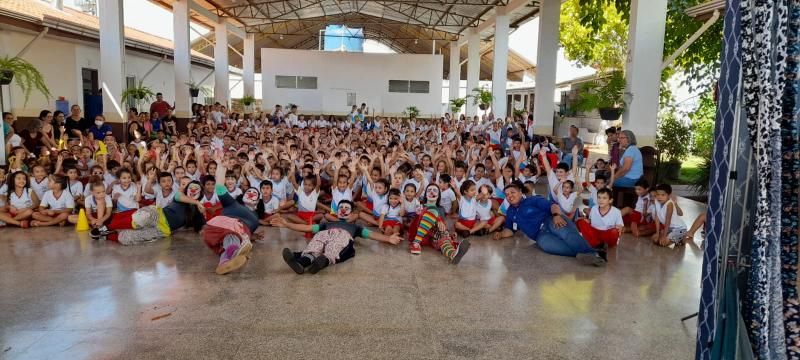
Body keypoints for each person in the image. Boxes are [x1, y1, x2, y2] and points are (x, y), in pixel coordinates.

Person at [273, 199, 402, 275]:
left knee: (334, 246)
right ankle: (301, 263)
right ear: (336, 211)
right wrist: (287, 224)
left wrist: (388, 238)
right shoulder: (326, 224)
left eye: (347, 208)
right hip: (326, 233)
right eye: (341, 207)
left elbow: (372, 235)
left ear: (351, 213)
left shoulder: (355, 227)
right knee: (316, 243)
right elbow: (308, 228)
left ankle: (323, 261)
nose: (343, 210)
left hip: (343, 235)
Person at [492, 182, 606, 266]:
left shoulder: (533, 200)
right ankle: (595, 253)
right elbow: (510, 229)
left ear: (521, 192)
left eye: (512, 192)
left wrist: (556, 216)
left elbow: (553, 205)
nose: (510, 196)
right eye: (507, 194)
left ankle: (592, 254)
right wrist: (501, 234)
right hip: (540, 236)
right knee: (554, 248)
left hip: (550, 220)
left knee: (566, 233)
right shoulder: (510, 212)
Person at [406, 184, 471, 264]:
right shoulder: (420, 206)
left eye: (434, 190)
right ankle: (416, 243)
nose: (431, 192)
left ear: (438, 196)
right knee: (432, 212)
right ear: (425, 194)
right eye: (429, 190)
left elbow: (442, 225)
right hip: (419, 235)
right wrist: (437, 219)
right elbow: (415, 221)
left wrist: (448, 232)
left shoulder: (441, 209)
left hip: (433, 236)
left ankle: (452, 254)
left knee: (444, 239)